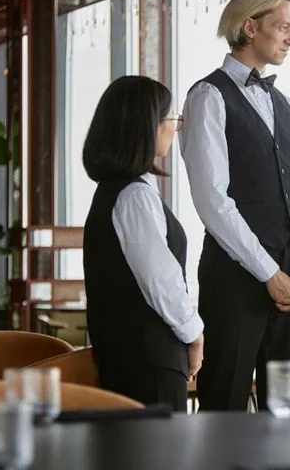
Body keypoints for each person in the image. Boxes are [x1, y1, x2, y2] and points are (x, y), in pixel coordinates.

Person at [180, 0, 290, 411]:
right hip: (235, 282)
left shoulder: (288, 106)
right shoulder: (207, 96)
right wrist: (269, 273)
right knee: (223, 408)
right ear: (249, 27)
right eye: (283, 27)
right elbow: (212, 201)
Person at [82, 76, 204, 412]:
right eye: (170, 119)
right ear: (144, 126)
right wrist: (194, 333)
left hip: (128, 358)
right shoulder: (134, 196)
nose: (176, 127)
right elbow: (161, 282)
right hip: (149, 361)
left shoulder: (113, 191)